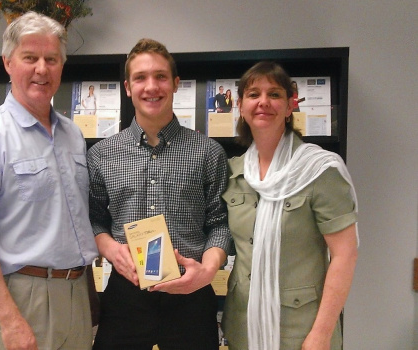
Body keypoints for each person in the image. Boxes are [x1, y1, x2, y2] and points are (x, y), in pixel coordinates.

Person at [0, 11, 98, 350]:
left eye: (51, 59)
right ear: (8, 62)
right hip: (24, 298)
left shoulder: (72, 134)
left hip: (77, 291)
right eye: (30, 58)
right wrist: (9, 319)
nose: (42, 69)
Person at [88, 38, 232, 350]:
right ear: (128, 87)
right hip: (125, 294)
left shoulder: (208, 152)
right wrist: (113, 252)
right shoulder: (102, 154)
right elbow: (94, 220)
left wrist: (206, 272)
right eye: (140, 78)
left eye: (161, 76)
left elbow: (220, 223)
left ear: (176, 83)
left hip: (192, 294)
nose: (151, 86)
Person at [221, 61, 358, 350]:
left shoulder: (320, 170)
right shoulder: (234, 173)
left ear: (289, 105)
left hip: (302, 331)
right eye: (254, 94)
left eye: (274, 94)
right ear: (242, 106)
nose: (263, 102)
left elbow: (345, 256)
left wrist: (321, 334)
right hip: (243, 328)